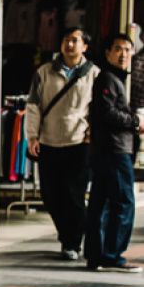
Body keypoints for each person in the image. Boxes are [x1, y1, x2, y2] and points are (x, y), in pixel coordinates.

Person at [25, 26, 99, 261]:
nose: (70, 44)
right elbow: (33, 106)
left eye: (75, 40)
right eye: (67, 39)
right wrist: (32, 136)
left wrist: (91, 134)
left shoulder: (93, 74)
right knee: (50, 195)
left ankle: (72, 242)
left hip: (78, 142)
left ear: (85, 46)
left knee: (73, 195)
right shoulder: (44, 72)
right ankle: (66, 234)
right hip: (48, 141)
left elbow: (97, 108)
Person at [84, 32, 144, 272]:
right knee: (123, 203)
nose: (124, 54)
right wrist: (135, 122)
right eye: (118, 49)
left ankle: (96, 255)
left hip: (106, 150)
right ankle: (112, 256)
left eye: (128, 49)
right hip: (114, 151)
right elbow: (107, 114)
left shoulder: (112, 78)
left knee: (101, 204)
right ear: (107, 53)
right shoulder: (108, 79)